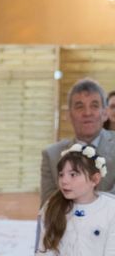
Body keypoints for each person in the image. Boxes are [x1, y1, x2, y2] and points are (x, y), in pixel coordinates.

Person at [41, 78, 115, 206]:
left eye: (94, 105)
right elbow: (47, 211)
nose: (87, 113)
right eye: (79, 106)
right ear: (69, 115)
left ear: (104, 113)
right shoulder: (52, 155)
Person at [36, 144, 115, 255]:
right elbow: (44, 251)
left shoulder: (111, 209)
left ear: (95, 179)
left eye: (73, 174)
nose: (64, 181)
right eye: (61, 175)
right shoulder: (52, 206)